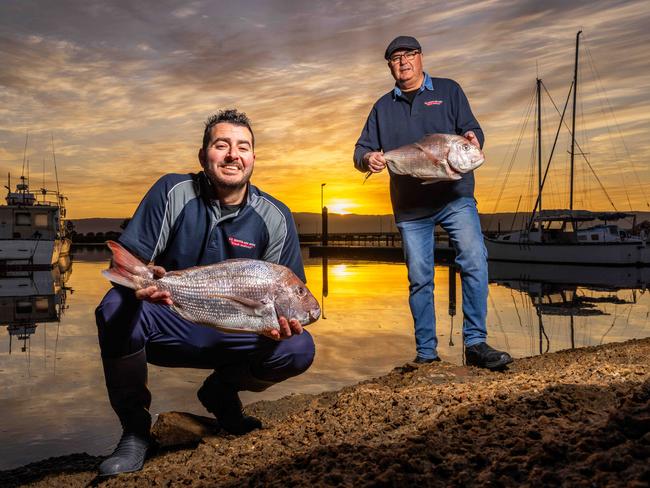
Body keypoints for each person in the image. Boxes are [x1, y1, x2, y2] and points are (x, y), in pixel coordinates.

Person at [95, 109, 315, 476]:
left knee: (298, 348)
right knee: (114, 307)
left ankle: (220, 392)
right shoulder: (172, 191)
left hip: (235, 334)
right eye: (221, 145)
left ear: (253, 159)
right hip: (172, 320)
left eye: (243, 147)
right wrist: (147, 281)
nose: (233, 154)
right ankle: (135, 431)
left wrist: (276, 323)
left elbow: (287, 289)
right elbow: (130, 263)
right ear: (204, 155)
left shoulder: (275, 216)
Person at [353, 36, 512, 370]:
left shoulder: (449, 91)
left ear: (420, 57)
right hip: (411, 207)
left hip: (456, 197)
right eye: (395, 57)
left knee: (474, 259)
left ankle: (475, 344)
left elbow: (472, 132)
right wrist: (369, 158)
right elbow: (360, 150)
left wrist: (472, 140)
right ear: (390, 66)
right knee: (420, 277)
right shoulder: (382, 107)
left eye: (409, 54)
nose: (403, 61)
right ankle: (427, 354)